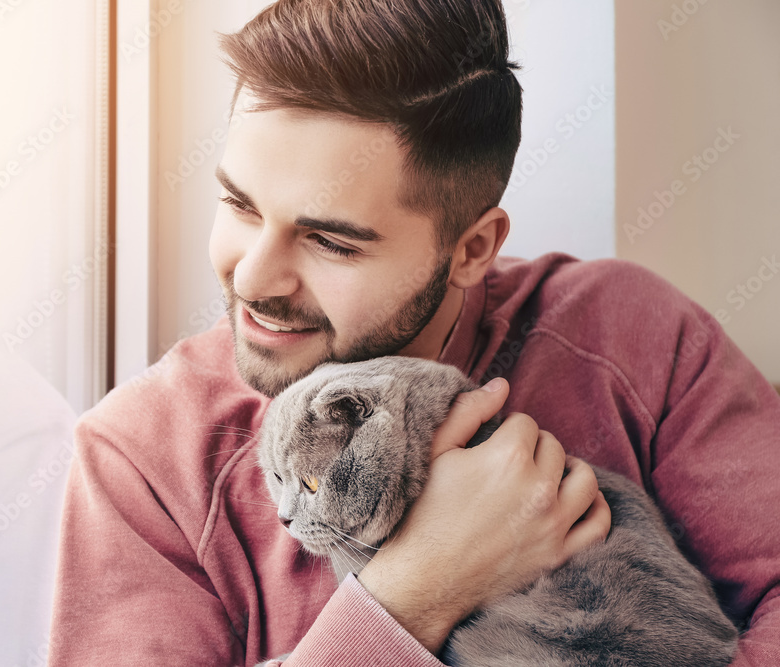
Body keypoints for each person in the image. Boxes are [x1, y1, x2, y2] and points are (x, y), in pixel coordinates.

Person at [46, 1, 780, 665]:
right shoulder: (141, 459)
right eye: (239, 206)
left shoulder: (631, 335)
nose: (252, 278)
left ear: (471, 248)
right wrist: (414, 592)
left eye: (330, 241)